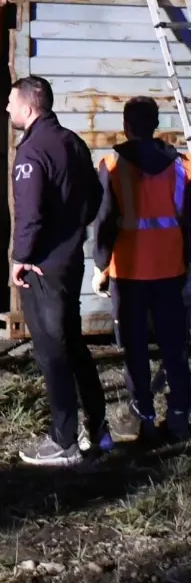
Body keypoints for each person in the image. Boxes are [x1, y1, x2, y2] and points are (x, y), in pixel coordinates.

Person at [6, 75, 108, 466]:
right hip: (69, 259)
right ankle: (98, 429)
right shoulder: (73, 142)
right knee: (75, 344)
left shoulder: (32, 152)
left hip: (42, 266)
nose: (8, 109)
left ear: (29, 107)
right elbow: (96, 196)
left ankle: (63, 441)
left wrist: (21, 257)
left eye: (11, 103)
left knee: (52, 352)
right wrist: (72, 231)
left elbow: (29, 215)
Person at [92, 96, 190, 444]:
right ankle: (179, 417)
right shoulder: (182, 166)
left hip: (128, 272)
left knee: (134, 348)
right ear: (155, 125)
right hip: (171, 270)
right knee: (175, 346)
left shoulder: (111, 163)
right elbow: (188, 222)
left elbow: (105, 221)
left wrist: (100, 265)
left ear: (126, 125)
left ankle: (143, 417)